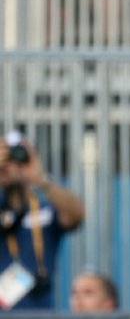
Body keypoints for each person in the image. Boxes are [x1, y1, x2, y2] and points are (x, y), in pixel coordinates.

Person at [0, 131, 85, 310]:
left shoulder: (45, 208)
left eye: (17, 156)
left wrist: (40, 179)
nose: (10, 165)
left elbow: (76, 215)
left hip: (40, 310)